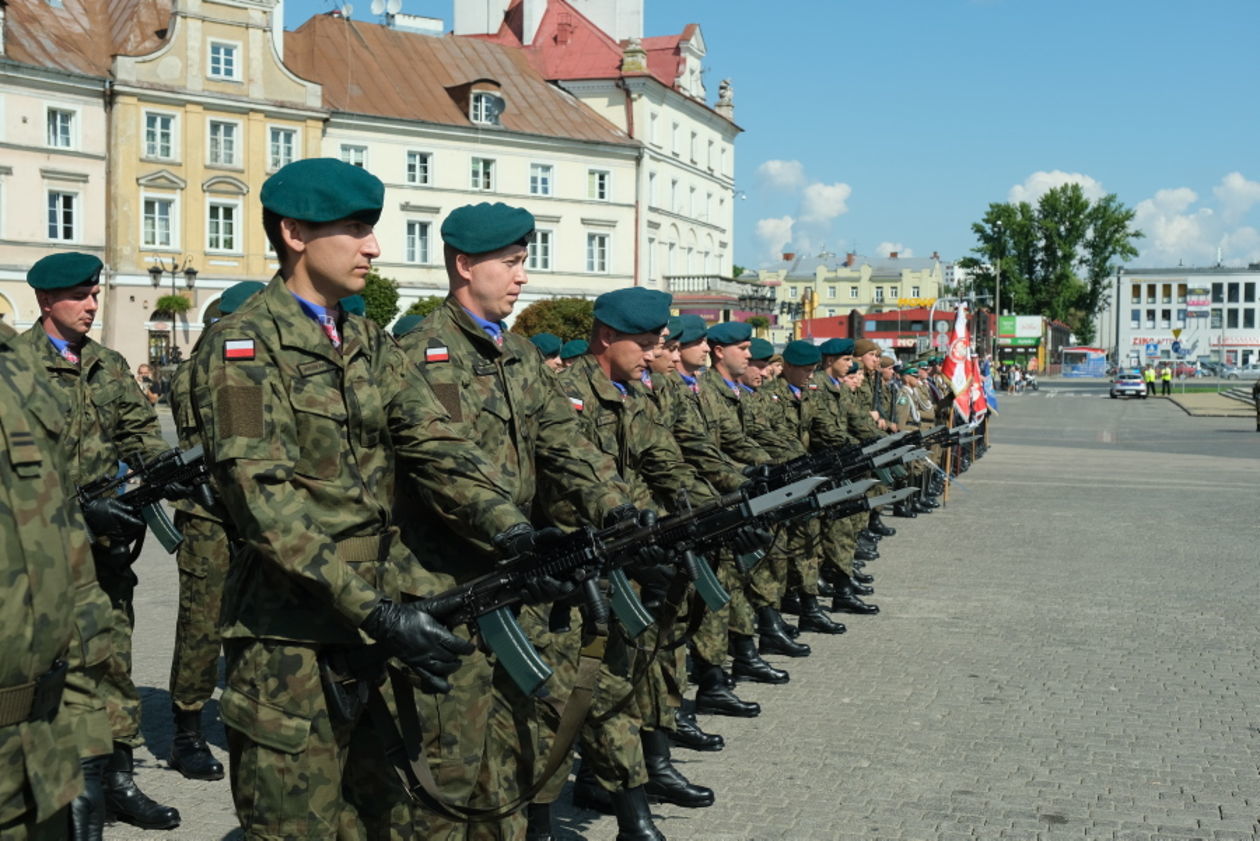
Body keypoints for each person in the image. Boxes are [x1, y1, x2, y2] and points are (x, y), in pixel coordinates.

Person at [187, 159, 535, 839]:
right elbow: (262, 500)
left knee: (391, 820)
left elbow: (434, 442)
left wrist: (512, 530)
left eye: (371, 229)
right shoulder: (242, 348)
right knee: (298, 828)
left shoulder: (366, 338)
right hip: (292, 641)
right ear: (294, 233)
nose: (374, 246)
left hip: (374, 634)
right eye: (354, 228)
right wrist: (373, 607)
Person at [396, 201, 636, 841]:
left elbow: (564, 442)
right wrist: (513, 531)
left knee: (512, 754)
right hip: (449, 586)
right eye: (511, 263)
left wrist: (616, 507)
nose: (522, 277)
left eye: (523, 262)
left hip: (519, 581)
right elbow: (441, 467)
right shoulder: (422, 355)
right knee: (449, 772)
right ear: (464, 264)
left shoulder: (520, 355)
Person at [18, 252, 182, 831]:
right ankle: (56, 784)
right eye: (80, 297)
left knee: (112, 658)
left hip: (107, 550)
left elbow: (139, 432)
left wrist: (167, 469)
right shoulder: (17, 368)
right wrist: (79, 507)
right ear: (45, 301)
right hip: (40, 558)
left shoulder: (107, 365)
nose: (92, 305)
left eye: (95, 294)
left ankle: (117, 779)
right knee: (51, 670)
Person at [164, 280, 264, 784]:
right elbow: (242, 441)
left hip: (250, 513)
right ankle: (186, 731)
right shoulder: (214, 365)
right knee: (202, 625)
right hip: (210, 516)